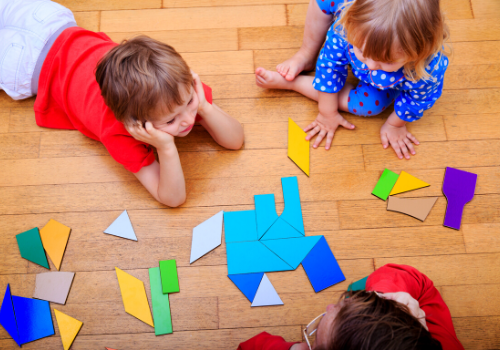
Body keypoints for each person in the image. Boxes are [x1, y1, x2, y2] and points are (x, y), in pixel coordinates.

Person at [0, 0, 244, 207]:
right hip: (22, 64)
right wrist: (166, 148)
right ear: (136, 123)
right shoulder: (119, 132)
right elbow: (173, 198)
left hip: (49, 19)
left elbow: (235, 140)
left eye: (190, 102)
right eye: (170, 121)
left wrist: (204, 106)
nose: (189, 120)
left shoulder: (175, 88)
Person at [255, 0, 449, 160]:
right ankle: (306, 54)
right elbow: (329, 67)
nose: (371, 65)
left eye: (386, 62)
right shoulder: (345, 29)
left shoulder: (429, 66)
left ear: (419, 52)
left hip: (383, 85)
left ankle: (293, 82)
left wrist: (395, 124)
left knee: (369, 105)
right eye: (362, 52)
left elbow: (419, 99)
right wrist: (327, 112)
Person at [237, 264, 464, 350]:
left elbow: (250, 347)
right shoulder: (443, 342)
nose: (328, 306)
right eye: (343, 305)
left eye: (314, 340)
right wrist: (387, 292)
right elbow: (419, 282)